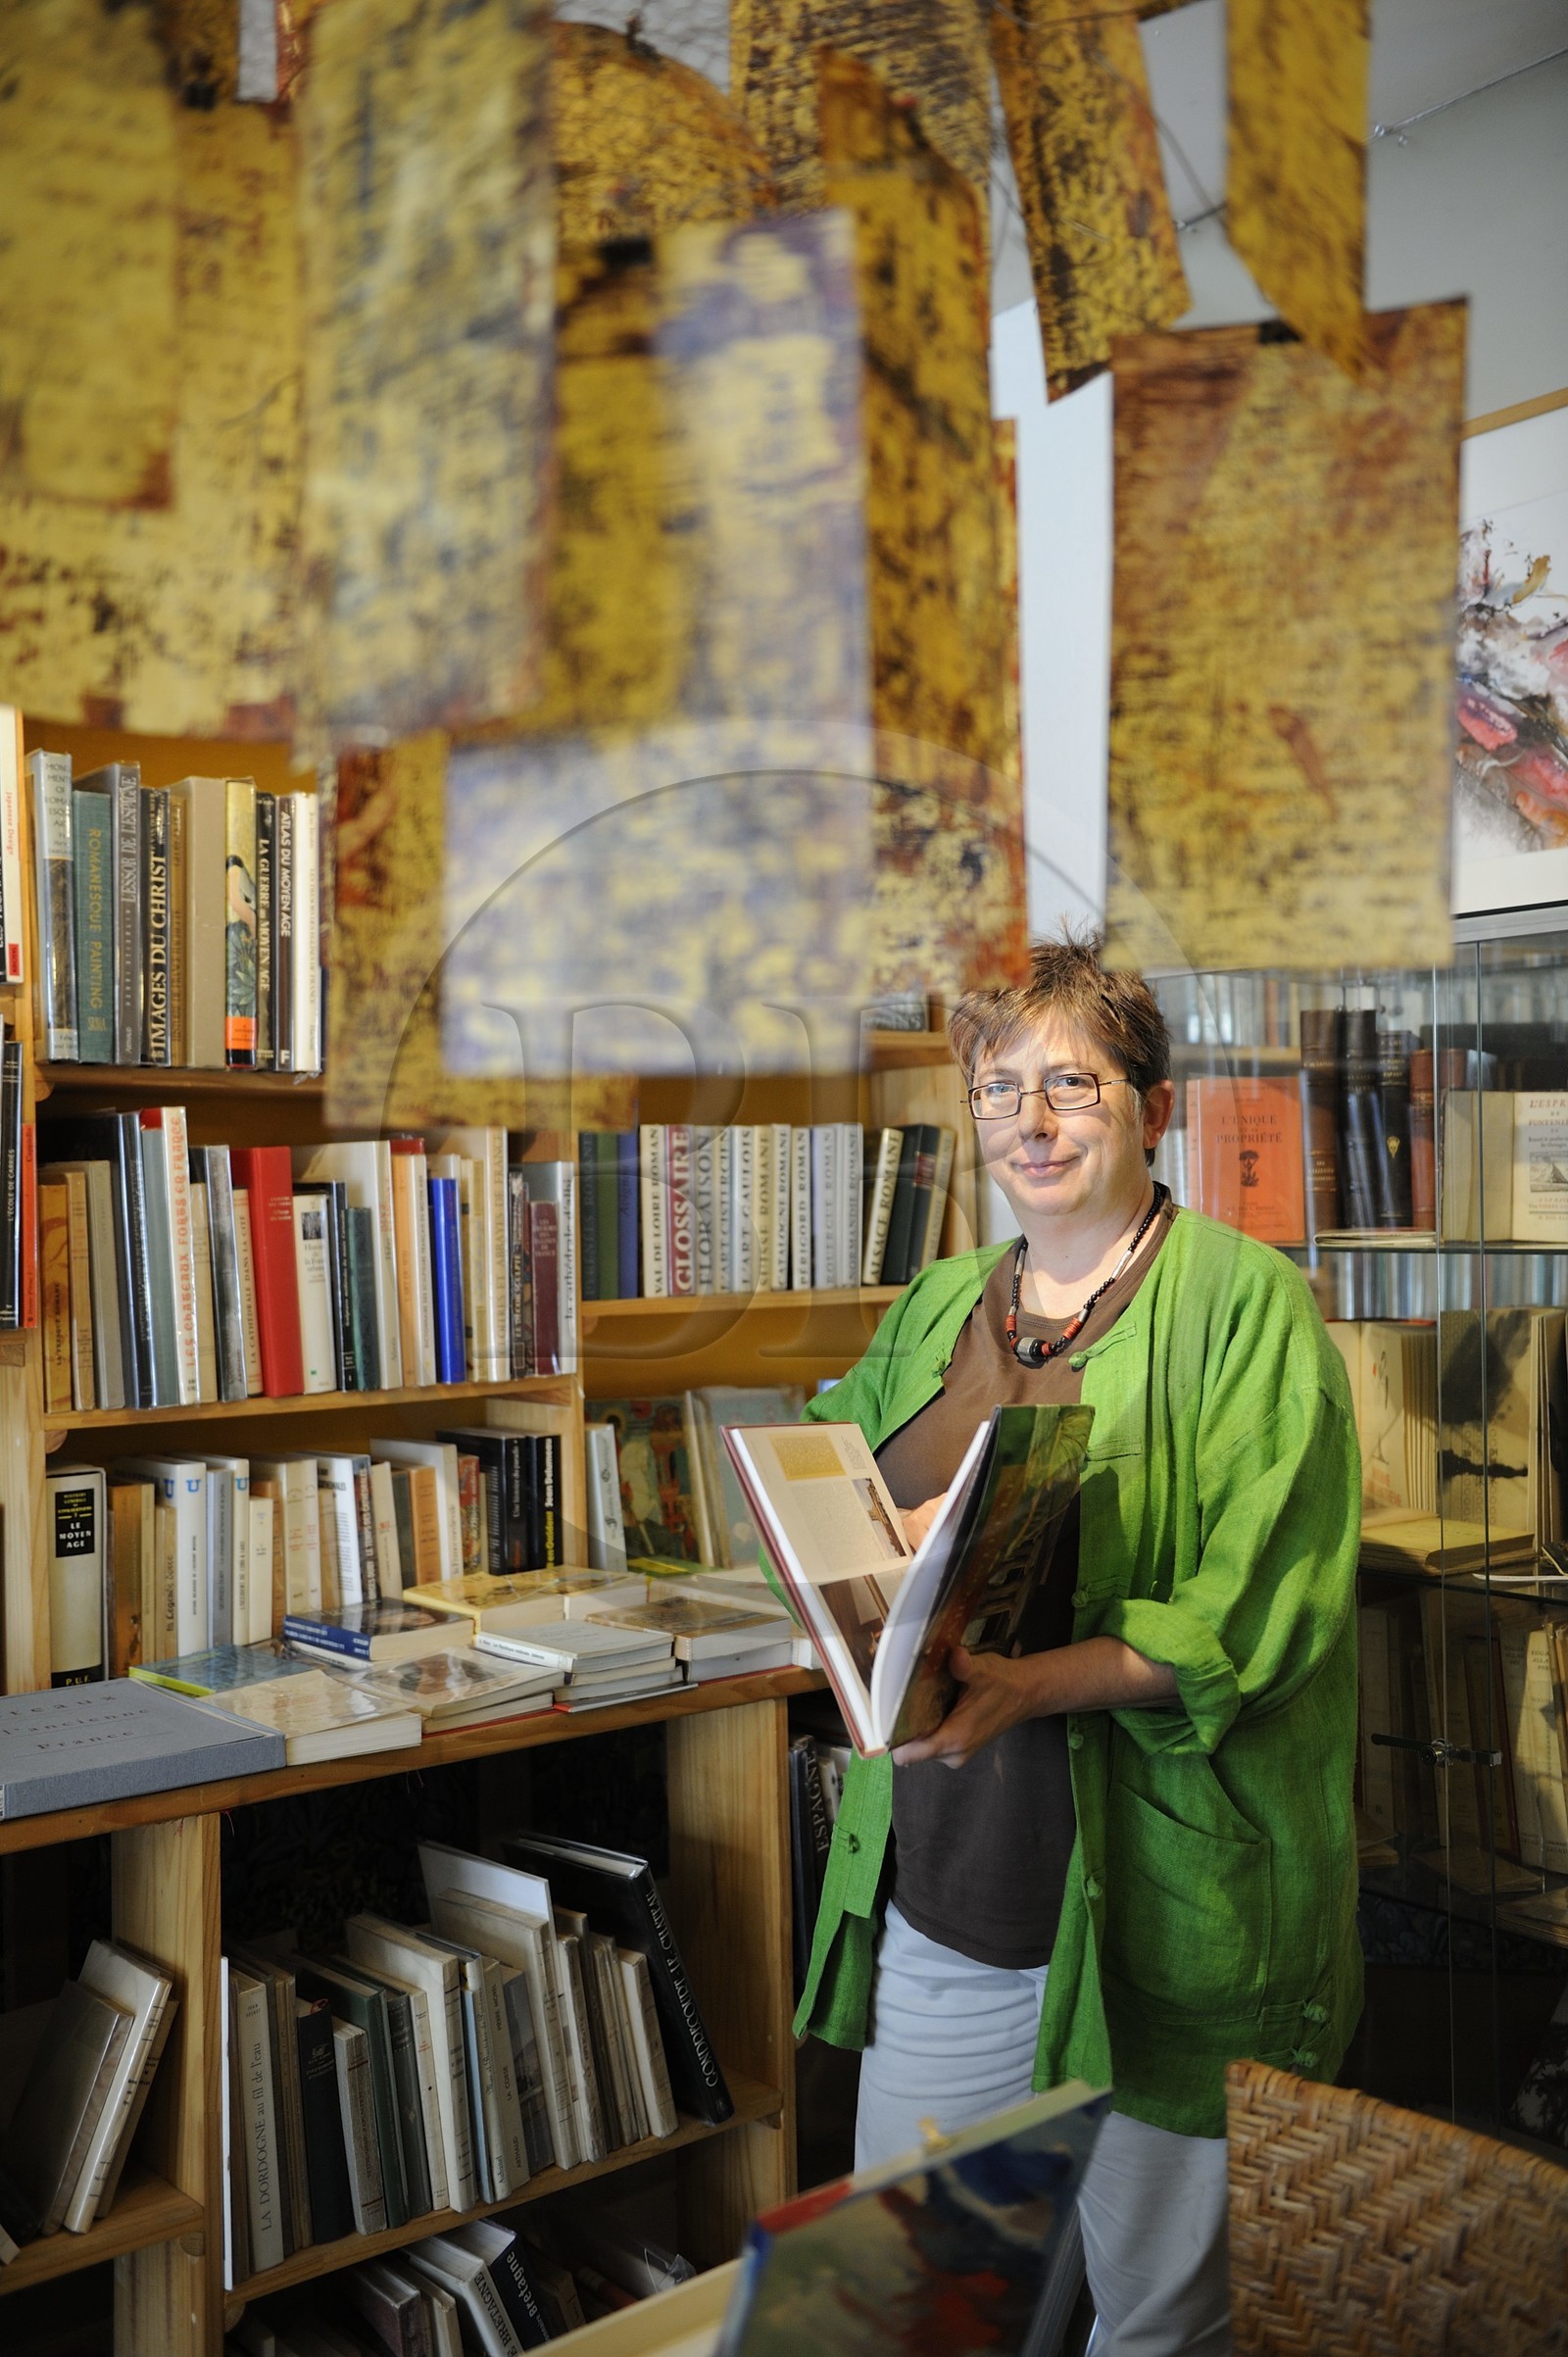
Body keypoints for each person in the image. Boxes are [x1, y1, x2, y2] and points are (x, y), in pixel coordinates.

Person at [794, 933, 1361, 2356]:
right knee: (897, 2315)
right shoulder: (938, 1302)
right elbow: (840, 1478)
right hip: (951, 1897)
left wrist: (1034, 1682)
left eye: (1073, 1085)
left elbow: (1259, 1608)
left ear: (1154, 1108)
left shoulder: (1249, 1306)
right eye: (999, 1090)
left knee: (1159, 2328)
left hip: (1166, 1923)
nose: (1031, 1123)